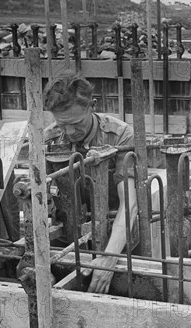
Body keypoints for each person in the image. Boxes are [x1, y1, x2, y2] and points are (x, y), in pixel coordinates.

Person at [43, 73, 138, 294]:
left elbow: (130, 205)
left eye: (76, 124)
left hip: (118, 237)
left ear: (92, 106)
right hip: (69, 236)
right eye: (62, 124)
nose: (69, 132)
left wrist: (109, 259)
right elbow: (40, 198)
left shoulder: (120, 136)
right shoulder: (48, 139)